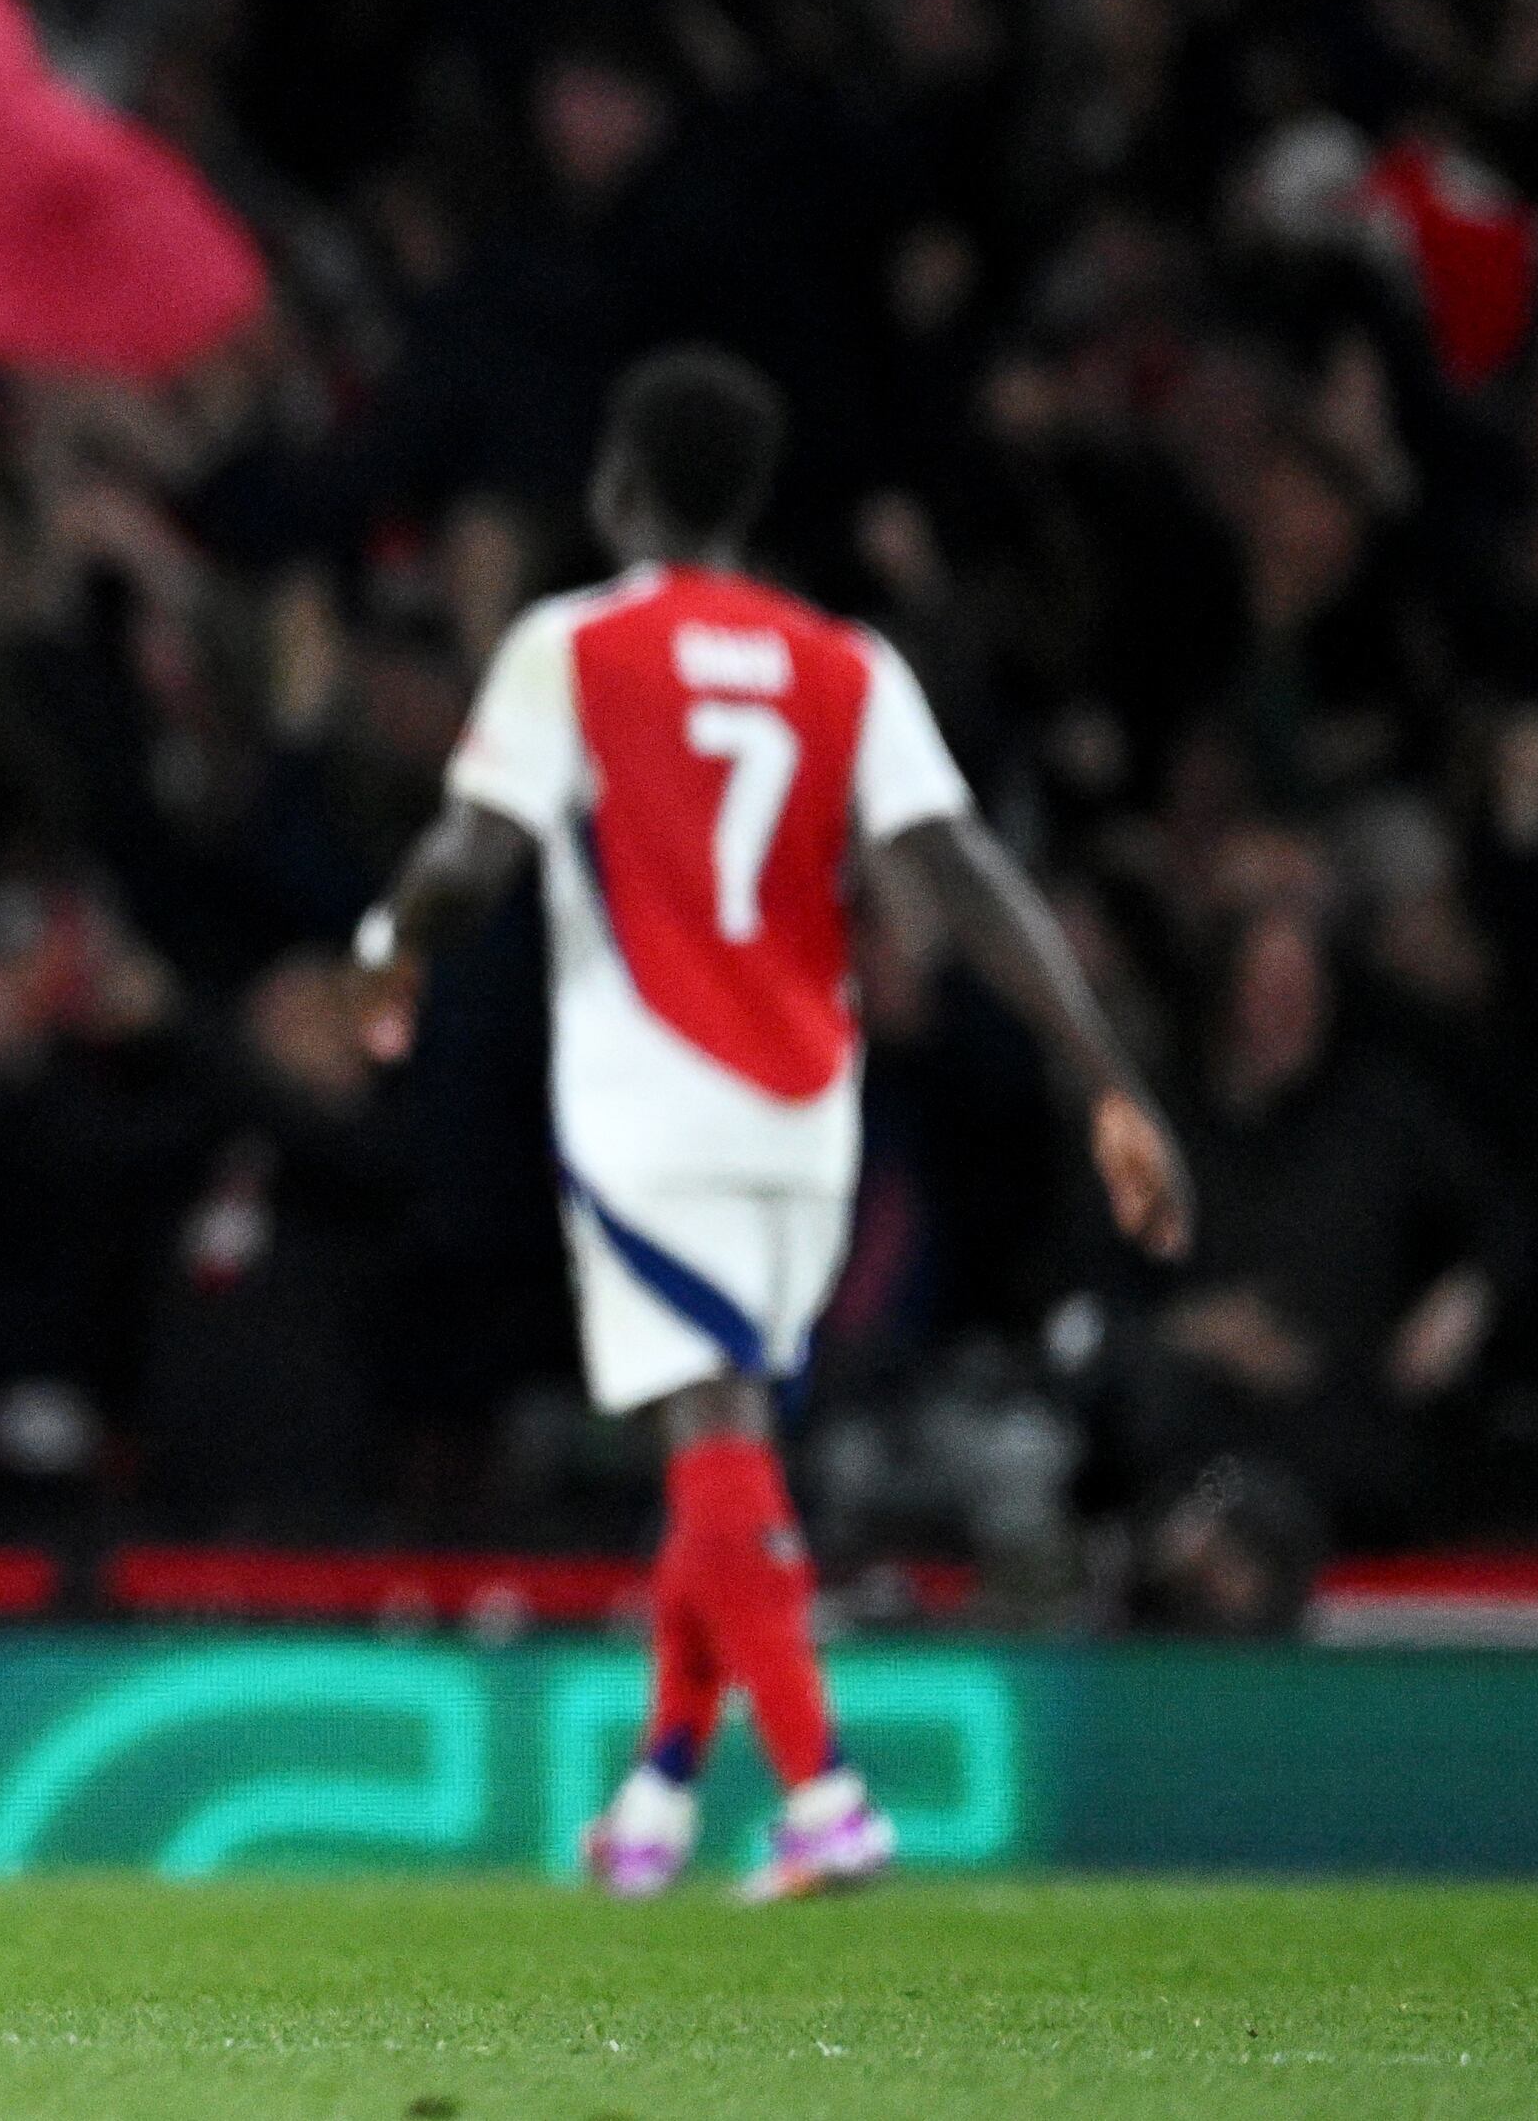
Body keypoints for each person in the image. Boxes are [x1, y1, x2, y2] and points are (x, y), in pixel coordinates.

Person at [345, 347, 1193, 1901]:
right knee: (720, 1439)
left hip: (649, 1088)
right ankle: (660, 1795)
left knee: (714, 1438)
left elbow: (473, 849)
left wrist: (391, 942)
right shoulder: (844, 663)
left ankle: (824, 1793)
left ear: (621, 486)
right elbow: (971, 874)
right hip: (807, 1105)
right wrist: (1108, 1077)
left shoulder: (572, 645)